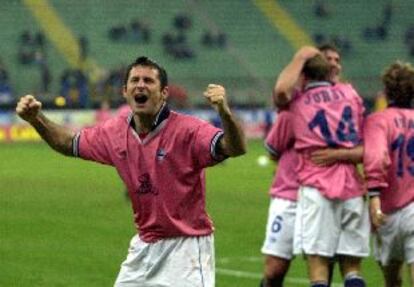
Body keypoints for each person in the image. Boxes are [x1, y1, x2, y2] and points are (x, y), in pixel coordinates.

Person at [16, 56, 246, 287]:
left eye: (148, 80)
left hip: (185, 249)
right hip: (144, 247)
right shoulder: (114, 132)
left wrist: (224, 112)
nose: (141, 85)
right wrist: (36, 119)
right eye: (135, 80)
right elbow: (69, 143)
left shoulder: (189, 130)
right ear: (125, 91)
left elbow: (234, 148)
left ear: (164, 93)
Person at [273, 48, 369, 287]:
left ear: (303, 75)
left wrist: (298, 58)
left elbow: (281, 91)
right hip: (352, 187)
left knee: (318, 265)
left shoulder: (298, 100)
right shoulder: (349, 93)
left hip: (317, 185)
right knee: (353, 268)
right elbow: (366, 145)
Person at [363, 61, 414, 287]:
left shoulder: (378, 120)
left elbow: (376, 158)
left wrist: (373, 197)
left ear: (386, 90)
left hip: (388, 210)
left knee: (392, 279)